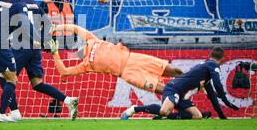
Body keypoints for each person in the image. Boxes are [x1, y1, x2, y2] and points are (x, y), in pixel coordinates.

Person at [48, 24, 183, 94]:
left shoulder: (93, 40)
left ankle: (196, 80)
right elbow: (64, 71)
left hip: (134, 59)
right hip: (129, 74)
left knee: (173, 70)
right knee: (164, 90)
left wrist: (56, 28)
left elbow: (75, 28)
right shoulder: (85, 65)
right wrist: (55, 52)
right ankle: (185, 103)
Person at [121, 47, 239, 120]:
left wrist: (222, 116)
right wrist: (226, 101)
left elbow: (213, 96)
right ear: (222, 59)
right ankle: (134, 109)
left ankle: (167, 117)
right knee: (164, 111)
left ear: (210, 55)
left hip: (181, 95)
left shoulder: (205, 72)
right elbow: (218, 85)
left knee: (197, 116)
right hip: (173, 89)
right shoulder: (212, 65)